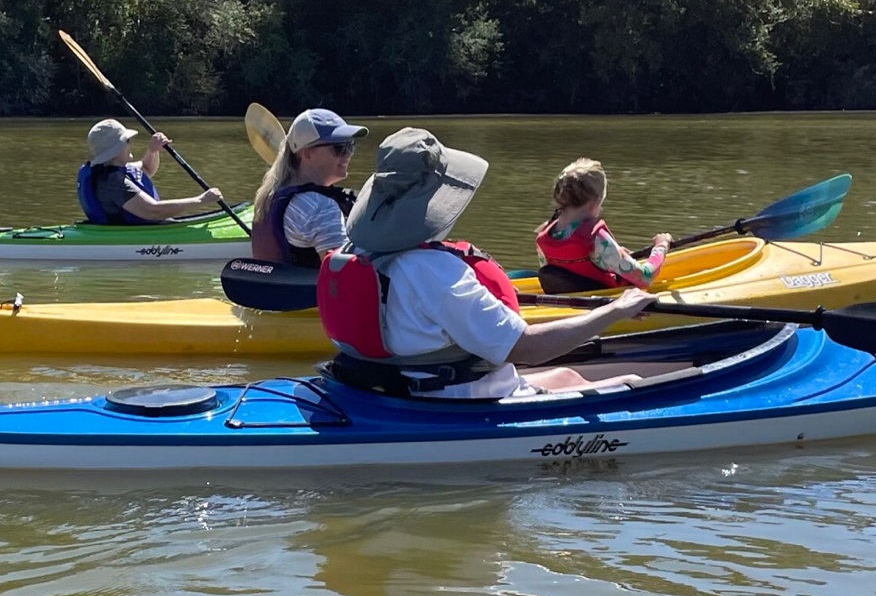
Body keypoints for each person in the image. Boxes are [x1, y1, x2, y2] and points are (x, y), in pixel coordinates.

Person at [321, 128, 657, 399]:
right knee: (630, 383)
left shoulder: (357, 249)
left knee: (568, 375)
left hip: (393, 382)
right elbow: (528, 348)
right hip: (455, 397)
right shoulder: (435, 271)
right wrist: (616, 310)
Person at [534, 157, 672, 294]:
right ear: (594, 203)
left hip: (567, 302)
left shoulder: (545, 236)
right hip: (602, 303)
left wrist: (615, 253)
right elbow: (645, 277)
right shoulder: (597, 238)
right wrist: (661, 246)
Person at [250, 108, 369, 265]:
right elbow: (343, 272)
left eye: (350, 146)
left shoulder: (270, 197)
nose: (348, 154)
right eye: (339, 148)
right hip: (313, 290)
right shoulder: (320, 207)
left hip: (278, 288)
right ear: (306, 153)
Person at [78, 118, 224, 225]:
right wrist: (201, 200)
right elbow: (153, 211)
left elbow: (146, 168)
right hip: (131, 236)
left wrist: (153, 150)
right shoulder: (114, 182)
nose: (132, 143)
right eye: (127, 141)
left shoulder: (115, 169)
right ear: (115, 150)